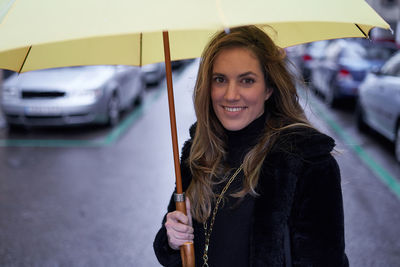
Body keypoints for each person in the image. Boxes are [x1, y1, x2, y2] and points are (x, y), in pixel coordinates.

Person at [153, 25, 349, 267]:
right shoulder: (197, 153)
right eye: (220, 79)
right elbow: (174, 246)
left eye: (247, 80)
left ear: (268, 88)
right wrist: (172, 240)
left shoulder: (307, 162)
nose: (231, 95)